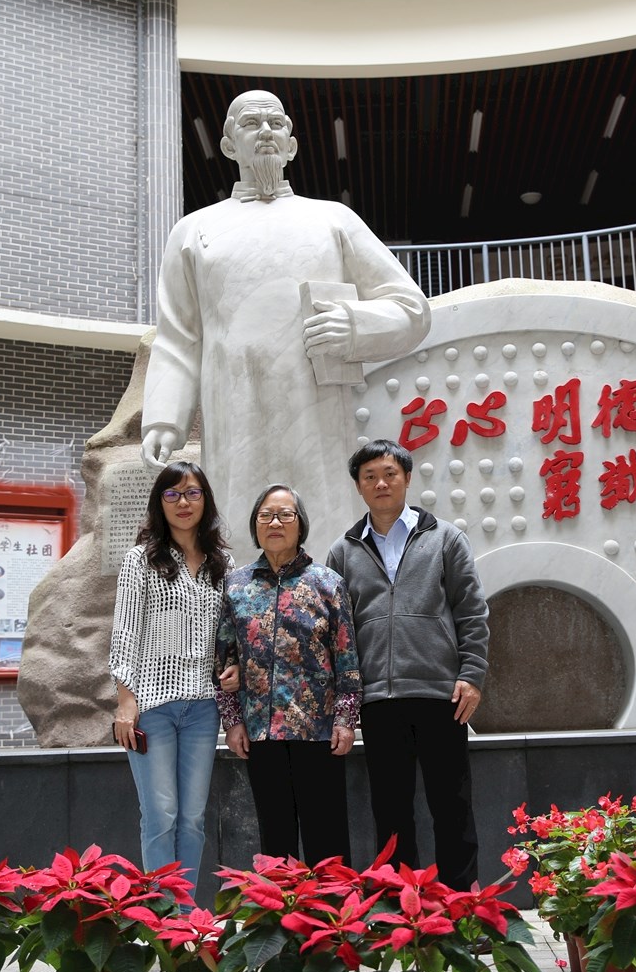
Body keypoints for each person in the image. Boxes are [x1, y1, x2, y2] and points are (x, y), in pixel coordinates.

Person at [141, 89, 430, 561]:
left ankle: (329, 604)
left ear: (292, 145)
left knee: (323, 537)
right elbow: (179, 338)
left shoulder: (332, 220)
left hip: (316, 412)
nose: (265, 132)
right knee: (237, 541)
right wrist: (163, 419)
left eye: (276, 123)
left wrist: (353, 325)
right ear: (228, 145)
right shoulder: (193, 231)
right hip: (234, 413)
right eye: (251, 123)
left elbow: (412, 309)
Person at [325, 439, 489, 891]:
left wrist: (472, 676)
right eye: (370, 477)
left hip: (442, 694)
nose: (381, 483)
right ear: (359, 486)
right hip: (378, 699)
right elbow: (337, 631)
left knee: (452, 806)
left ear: (407, 478)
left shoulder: (445, 538)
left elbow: (472, 612)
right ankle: (404, 906)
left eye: (389, 474)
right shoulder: (343, 551)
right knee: (391, 812)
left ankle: (461, 904)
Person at [216, 484, 361, 864]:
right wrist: (232, 721)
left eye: (285, 515)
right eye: (265, 515)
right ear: (255, 525)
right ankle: (281, 905)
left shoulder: (327, 584)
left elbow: (347, 660)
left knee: (327, 841)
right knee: (275, 841)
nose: (275, 523)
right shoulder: (236, 587)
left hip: (318, 731)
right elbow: (223, 660)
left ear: (300, 524)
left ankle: (332, 904)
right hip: (260, 733)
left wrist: (345, 720)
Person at [109, 462, 233, 886]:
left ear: (205, 501)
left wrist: (231, 668)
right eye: (172, 494)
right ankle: (161, 913)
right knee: (160, 814)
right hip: (152, 706)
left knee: (193, 818)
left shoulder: (222, 563)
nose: (184, 502)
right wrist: (126, 700)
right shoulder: (140, 560)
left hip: (203, 708)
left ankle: (184, 912)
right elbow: (125, 632)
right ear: (159, 502)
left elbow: (226, 635)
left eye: (193, 493)